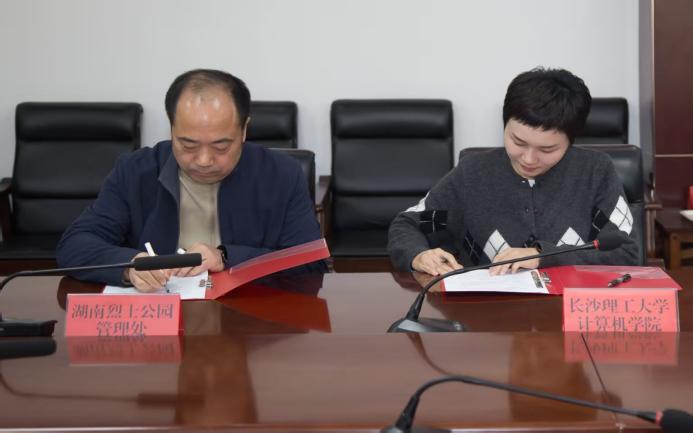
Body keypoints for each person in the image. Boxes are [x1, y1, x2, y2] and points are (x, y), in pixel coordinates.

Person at [57, 69, 325, 291]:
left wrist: (225, 257)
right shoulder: (135, 172)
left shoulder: (281, 175)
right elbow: (74, 245)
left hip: (247, 320)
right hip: (161, 323)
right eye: (188, 145)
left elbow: (310, 262)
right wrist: (130, 265)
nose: (204, 160)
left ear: (244, 129)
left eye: (221, 146)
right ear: (172, 128)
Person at [388, 67, 639, 276]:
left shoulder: (594, 172)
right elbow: (408, 225)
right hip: (490, 314)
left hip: (570, 311)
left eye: (547, 149)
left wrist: (544, 256)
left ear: (571, 141)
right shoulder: (473, 175)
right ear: (504, 125)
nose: (529, 159)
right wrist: (419, 255)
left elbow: (626, 253)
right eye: (518, 142)